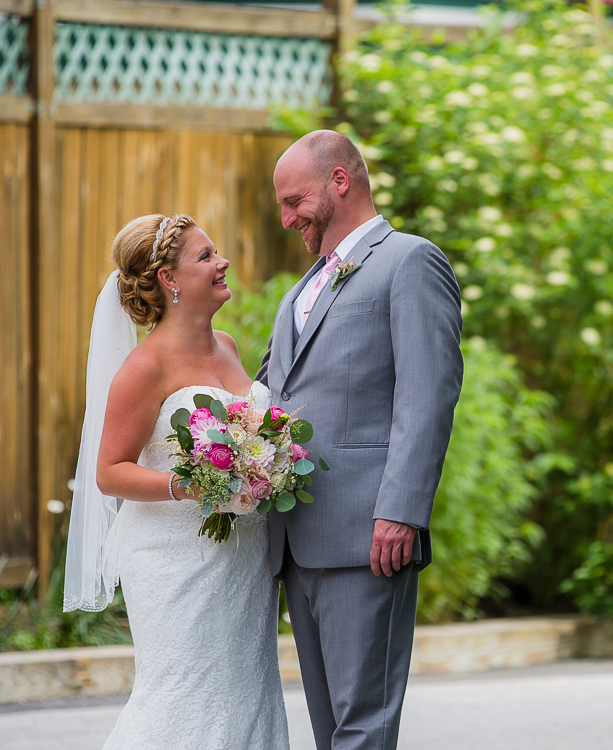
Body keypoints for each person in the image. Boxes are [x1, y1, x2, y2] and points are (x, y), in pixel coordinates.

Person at [258, 130, 464, 750]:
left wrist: (400, 511)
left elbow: (428, 394)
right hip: (300, 539)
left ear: (339, 182)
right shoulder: (301, 289)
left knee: (362, 727)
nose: (289, 218)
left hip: (369, 537)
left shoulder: (410, 261)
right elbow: (269, 395)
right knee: (330, 730)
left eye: (295, 202)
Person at [63, 213, 290, 750]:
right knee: (183, 695)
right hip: (176, 560)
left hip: (244, 557)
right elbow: (109, 471)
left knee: (248, 691)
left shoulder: (229, 347)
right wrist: (190, 485)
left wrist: (267, 463)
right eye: (206, 256)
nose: (223, 262)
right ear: (169, 279)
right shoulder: (145, 367)